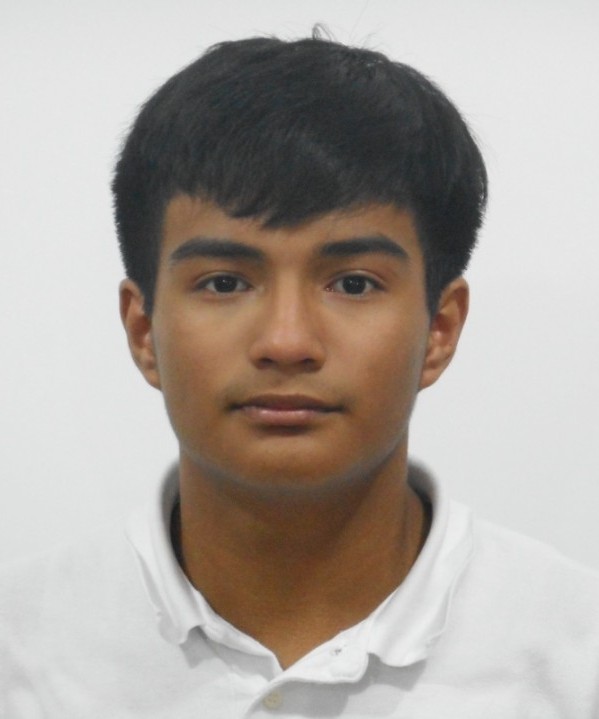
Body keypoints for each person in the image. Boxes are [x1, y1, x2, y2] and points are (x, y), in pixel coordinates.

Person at [1, 32, 599, 718]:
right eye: (225, 282)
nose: (286, 342)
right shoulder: (21, 653)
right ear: (143, 331)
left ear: (439, 328)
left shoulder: (575, 661)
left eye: (353, 283)